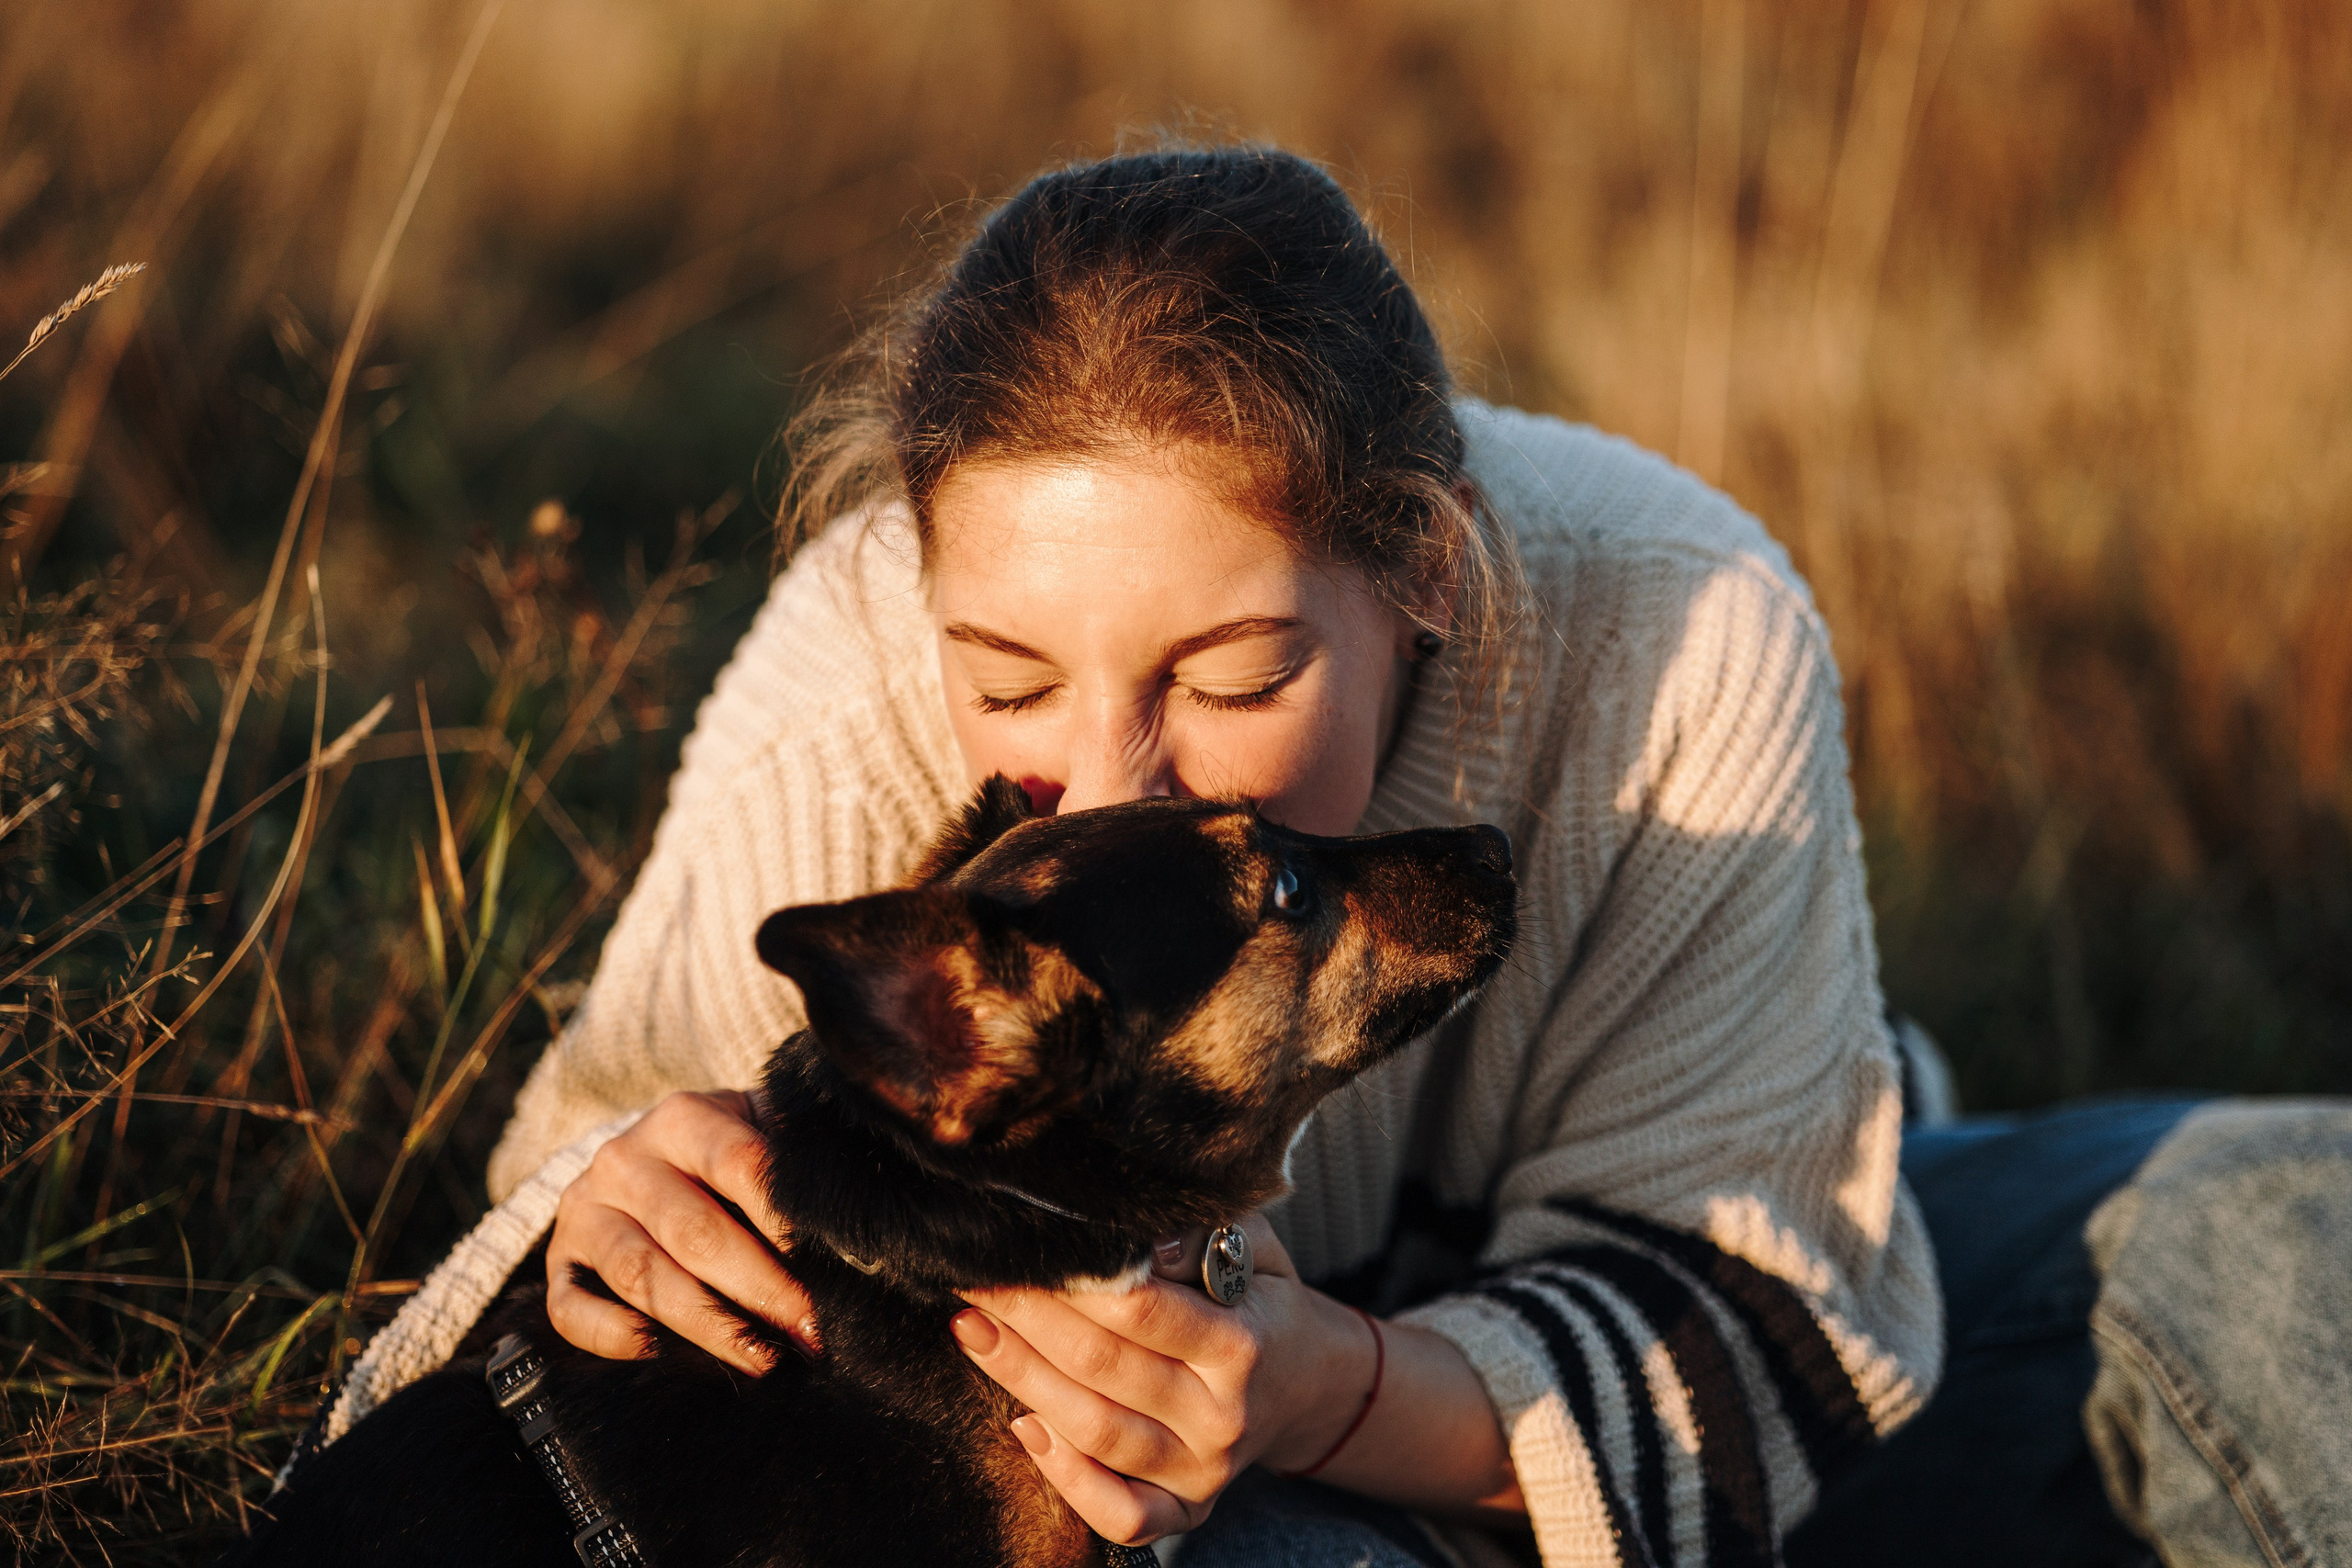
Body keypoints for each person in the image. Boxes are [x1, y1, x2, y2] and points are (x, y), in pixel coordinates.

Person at [317, 145, 2352, 1568]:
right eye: (1007, 677)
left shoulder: (1675, 620)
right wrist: (609, 1212)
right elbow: (545, 1228)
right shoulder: (857, 659)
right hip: (1165, 1499)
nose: (1099, 774)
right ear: (924, 596)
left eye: (1231, 666)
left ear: (1426, 570)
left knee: (2293, 1234)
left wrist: (1333, 1386)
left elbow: (1776, 1296)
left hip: (1591, 1399)